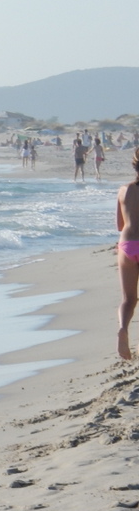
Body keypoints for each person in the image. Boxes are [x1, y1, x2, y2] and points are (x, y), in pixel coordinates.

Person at [116, 149, 139, 360]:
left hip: (127, 244)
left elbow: (119, 224)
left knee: (128, 298)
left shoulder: (124, 190)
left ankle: (123, 328)